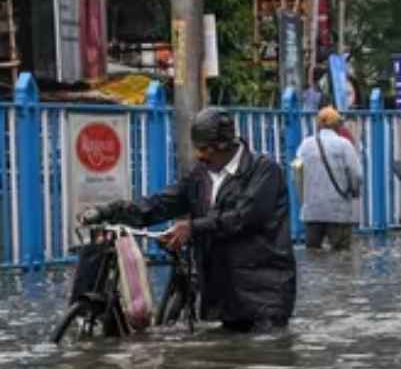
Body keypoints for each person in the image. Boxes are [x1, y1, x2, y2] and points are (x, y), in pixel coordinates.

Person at [79, 107, 298, 331]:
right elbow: (160, 204)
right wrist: (111, 211)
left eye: (204, 149)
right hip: (222, 294)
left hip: (263, 295)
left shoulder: (264, 171)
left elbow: (242, 218)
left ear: (223, 146)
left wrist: (192, 228)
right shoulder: (200, 175)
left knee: (262, 357)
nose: (199, 155)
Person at [294, 106, 363, 251]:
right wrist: (354, 191)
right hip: (338, 211)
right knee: (341, 259)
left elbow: (296, 170)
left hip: (312, 211)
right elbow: (356, 174)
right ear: (338, 125)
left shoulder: (305, 145)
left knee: (313, 256)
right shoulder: (344, 145)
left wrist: (304, 200)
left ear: (318, 124)